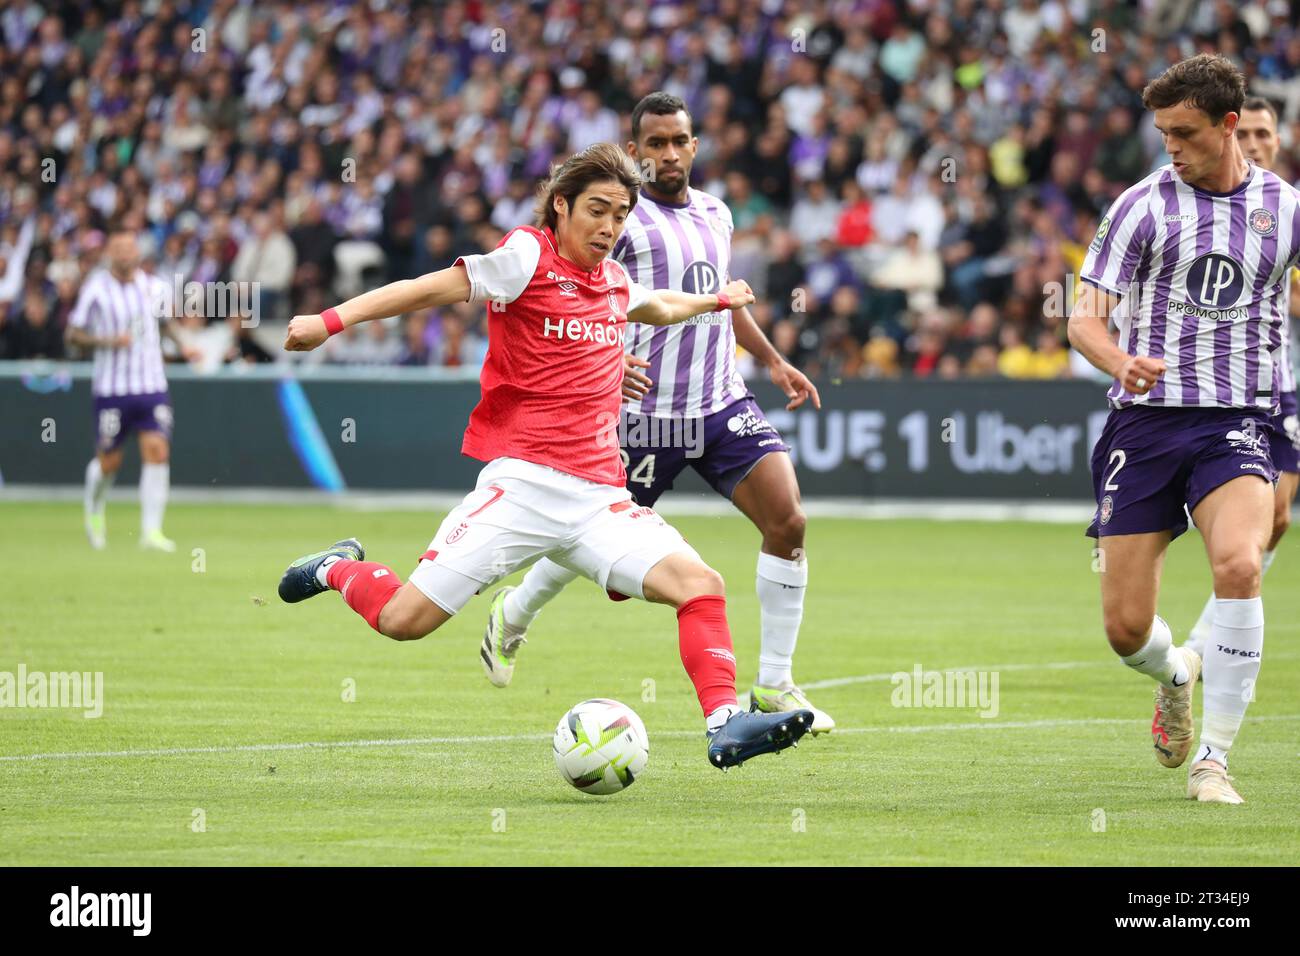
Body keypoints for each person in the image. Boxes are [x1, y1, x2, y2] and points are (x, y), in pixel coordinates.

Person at [276, 143, 813, 770]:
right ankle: (336, 568)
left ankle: (726, 724)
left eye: (620, 215)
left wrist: (717, 301)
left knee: (701, 586)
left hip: (601, 501)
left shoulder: (611, 282)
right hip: (523, 488)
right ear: (561, 205)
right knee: (403, 621)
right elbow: (428, 289)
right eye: (597, 210)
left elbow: (660, 305)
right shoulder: (526, 256)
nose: (609, 227)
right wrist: (328, 320)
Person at [484, 93, 834, 733]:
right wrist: (609, 364)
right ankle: (514, 612)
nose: (669, 154)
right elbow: (580, 297)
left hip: (721, 401)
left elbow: (723, 299)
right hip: (645, 417)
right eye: (655, 144)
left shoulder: (717, 213)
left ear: (694, 145)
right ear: (636, 150)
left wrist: (774, 359)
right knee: (581, 541)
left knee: (788, 521)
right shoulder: (618, 221)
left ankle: (776, 685)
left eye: (680, 141)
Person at [1068, 55, 1300, 804]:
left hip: (1238, 422)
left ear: (1229, 126)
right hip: (1145, 424)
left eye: (1185, 132)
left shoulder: (1285, 209)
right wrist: (1119, 359)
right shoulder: (1141, 205)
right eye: (1162, 132)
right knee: (1126, 628)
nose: (1170, 146)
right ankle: (1175, 674)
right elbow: (1083, 318)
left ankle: (1214, 761)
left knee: (1241, 563)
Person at [1186, 96, 1300, 656]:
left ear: (1281, 139)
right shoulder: (1204, 199)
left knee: (1278, 517)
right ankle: (1207, 640)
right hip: (1239, 385)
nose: (1255, 142)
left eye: (1265, 133)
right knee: (1264, 517)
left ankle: (1211, 635)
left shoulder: (1288, 207)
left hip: (1288, 378)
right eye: (1246, 132)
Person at [65, 229, 192, 552]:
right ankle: (94, 510)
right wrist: (107, 341)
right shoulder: (96, 289)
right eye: (118, 248)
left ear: (137, 253)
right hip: (112, 388)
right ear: (110, 252)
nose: (125, 254)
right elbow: (73, 335)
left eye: (129, 248)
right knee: (109, 462)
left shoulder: (154, 287)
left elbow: (164, 324)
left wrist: (185, 346)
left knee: (157, 451)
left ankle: (152, 532)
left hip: (151, 385)